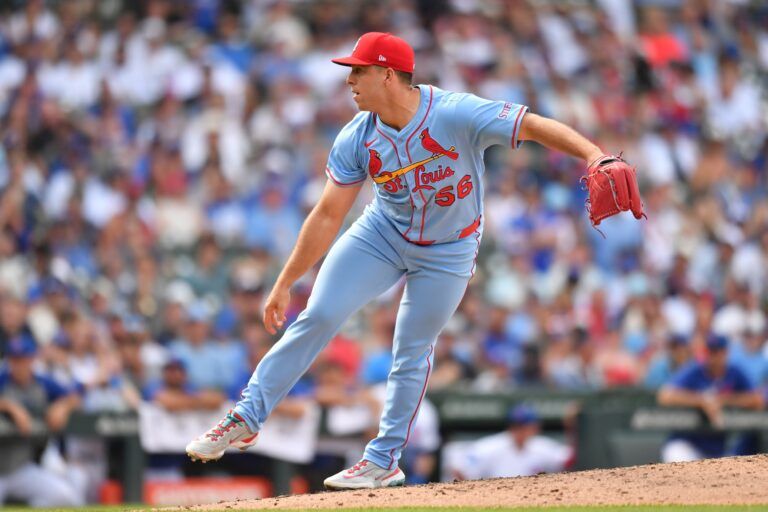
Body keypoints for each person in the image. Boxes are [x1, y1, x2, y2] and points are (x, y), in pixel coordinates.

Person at [186, 31, 608, 489]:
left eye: (358, 71)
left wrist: (594, 155)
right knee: (320, 313)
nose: (349, 80)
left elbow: (532, 125)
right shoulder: (358, 137)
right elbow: (329, 214)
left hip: (450, 248)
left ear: (388, 74)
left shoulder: (454, 112)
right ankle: (247, 416)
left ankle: (383, 459)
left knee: (411, 349)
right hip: (382, 232)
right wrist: (285, 280)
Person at [0, 333, 84, 507]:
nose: (19, 365)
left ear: (32, 359)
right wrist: (10, 407)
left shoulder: (42, 383)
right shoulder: (3, 380)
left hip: (20, 468)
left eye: (23, 359)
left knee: (66, 497)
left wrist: (62, 406)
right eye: (15, 359)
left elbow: (76, 396)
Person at [657, 334, 763, 462]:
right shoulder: (695, 370)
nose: (714, 356)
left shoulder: (734, 372)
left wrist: (723, 400)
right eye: (711, 351)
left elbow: (757, 400)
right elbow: (665, 396)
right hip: (687, 442)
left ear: (726, 352)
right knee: (676, 454)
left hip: (719, 449)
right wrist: (702, 400)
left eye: (718, 351)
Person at [445, 404, 571, 480]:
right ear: (511, 428)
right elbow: (458, 466)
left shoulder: (540, 446)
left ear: (534, 428)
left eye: (525, 427)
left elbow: (569, 460)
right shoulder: (492, 447)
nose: (521, 431)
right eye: (517, 427)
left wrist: (572, 429)